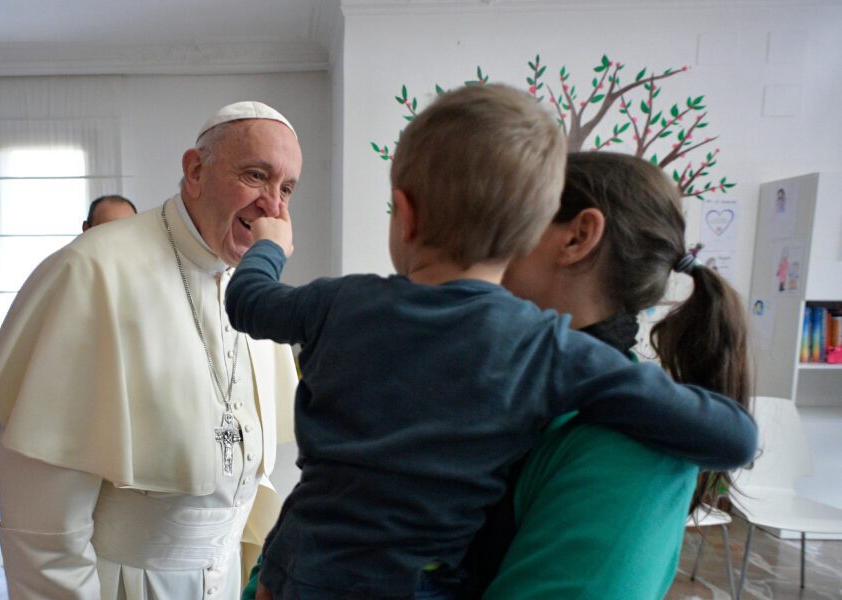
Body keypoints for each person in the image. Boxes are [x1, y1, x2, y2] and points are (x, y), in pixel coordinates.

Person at [226, 84, 756, 599]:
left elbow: (248, 301)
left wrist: (270, 246)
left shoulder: (339, 302)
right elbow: (733, 437)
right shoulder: (549, 351)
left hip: (300, 564)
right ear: (526, 233)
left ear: (404, 214)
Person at [0, 101, 302, 600]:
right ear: (195, 171)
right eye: (256, 176)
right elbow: (44, 530)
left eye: (287, 189)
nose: (274, 208)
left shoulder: (252, 287)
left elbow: (246, 482)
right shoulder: (92, 272)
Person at [474, 151, 753, 599]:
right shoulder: (528, 387)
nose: (481, 248)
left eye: (507, 225)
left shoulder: (631, 439)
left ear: (578, 236)